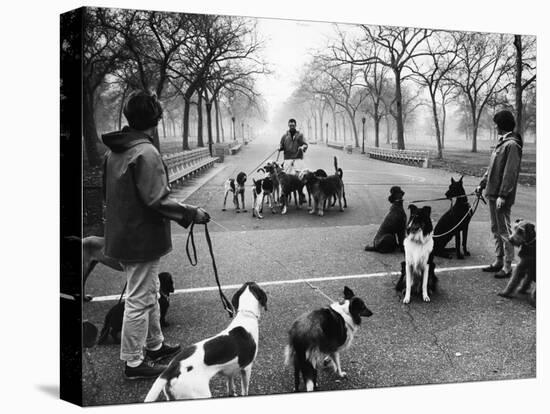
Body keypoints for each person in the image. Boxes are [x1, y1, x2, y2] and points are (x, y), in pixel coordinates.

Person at [102, 90, 210, 379]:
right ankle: (134, 362)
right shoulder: (146, 152)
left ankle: (155, 344)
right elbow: (157, 200)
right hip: (141, 238)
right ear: (156, 120)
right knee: (139, 298)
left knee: (147, 292)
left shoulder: (115, 151)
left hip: (124, 234)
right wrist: (191, 213)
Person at [476, 110, 523, 279]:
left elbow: (509, 173)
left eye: (496, 123)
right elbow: (492, 169)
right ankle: (498, 260)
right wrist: (482, 183)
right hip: (492, 193)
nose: (495, 126)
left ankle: (508, 266)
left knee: (504, 231)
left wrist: (503, 195)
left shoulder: (512, 145)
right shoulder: (501, 143)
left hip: (500, 196)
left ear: (502, 125)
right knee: (495, 229)